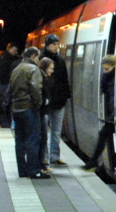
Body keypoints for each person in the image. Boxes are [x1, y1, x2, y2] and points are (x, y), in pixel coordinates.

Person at [8, 47, 48, 179]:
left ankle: (22, 170)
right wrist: (39, 104)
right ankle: (34, 170)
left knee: (19, 140)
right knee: (33, 139)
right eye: (38, 57)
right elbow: (36, 88)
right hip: (29, 108)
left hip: (17, 109)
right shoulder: (33, 69)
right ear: (34, 56)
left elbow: (10, 89)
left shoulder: (16, 69)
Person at [41, 35, 71, 166]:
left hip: (59, 101)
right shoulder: (42, 59)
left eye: (57, 44)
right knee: (44, 131)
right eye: (53, 44)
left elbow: (65, 79)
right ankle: (45, 157)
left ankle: (54, 156)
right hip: (46, 102)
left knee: (56, 131)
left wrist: (65, 96)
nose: (56, 47)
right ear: (47, 45)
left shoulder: (59, 59)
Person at [84, 55, 116, 171]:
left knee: (103, 134)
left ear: (115, 66)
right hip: (112, 114)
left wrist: (114, 114)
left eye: (107, 69)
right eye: (104, 69)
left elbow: (113, 96)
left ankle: (94, 160)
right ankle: (97, 160)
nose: (105, 71)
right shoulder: (108, 77)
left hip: (115, 114)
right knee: (104, 135)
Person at [0, 43, 20, 127]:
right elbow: (3, 72)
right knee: (5, 103)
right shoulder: (6, 59)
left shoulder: (6, 57)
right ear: (10, 48)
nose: (15, 52)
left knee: (6, 103)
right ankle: (4, 121)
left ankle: (5, 121)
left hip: (6, 83)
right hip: (5, 83)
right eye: (14, 50)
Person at [38, 57, 55, 170]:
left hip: (43, 111)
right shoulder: (42, 78)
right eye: (50, 68)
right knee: (42, 138)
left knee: (43, 138)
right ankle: (41, 164)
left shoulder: (45, 78)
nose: (52, 71)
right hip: (41, 112)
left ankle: (42, 162)